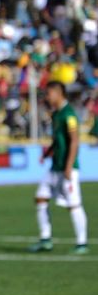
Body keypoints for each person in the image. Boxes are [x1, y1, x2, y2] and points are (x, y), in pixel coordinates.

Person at [28, 81, 89, 254]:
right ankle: (45, 239)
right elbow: (57, 140)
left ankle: (82, 243)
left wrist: (69, 165)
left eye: (48, 94)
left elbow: (75, 140)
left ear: (57, 93)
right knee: (40, 198)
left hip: (67, 168)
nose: (47, 97)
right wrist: (47, 154)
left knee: (74, 204)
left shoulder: (69, 114)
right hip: (55, 167)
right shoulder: (56, 114)